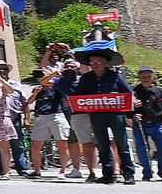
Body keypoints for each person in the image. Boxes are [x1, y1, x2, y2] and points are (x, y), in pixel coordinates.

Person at [53, 47, 135, 185]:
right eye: (92, 61)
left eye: (98, 61)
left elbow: (128, 94)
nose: (95, 63)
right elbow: (79, 95)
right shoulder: (86, 78)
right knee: (102, 145)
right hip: (97, 116)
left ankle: (128, 174)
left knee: (122, 145)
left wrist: (130, 115)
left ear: (105, 63)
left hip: (116, 115)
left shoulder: (116, 77)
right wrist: (72, 101)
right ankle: (108, 175)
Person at [41, 58, 94, 180]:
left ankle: (106, 169)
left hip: (93, 113)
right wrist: (54, 73)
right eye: (67, 67)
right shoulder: (60, 81)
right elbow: (43, 82)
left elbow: (88, 68)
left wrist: (72, 52)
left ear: (77, 68)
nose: (69, 69)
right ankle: (83, 170)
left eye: (72, 67)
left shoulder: (84, 78)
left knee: (97, 142)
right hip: (75, 115)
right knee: (78, 142)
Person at [131, 66, 162, 182]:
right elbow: (126, 108)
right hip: (141, 124)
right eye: (143, 76)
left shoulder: (160, 91)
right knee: (142, 150)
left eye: (148, 76)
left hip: (158, 124)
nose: (146, 78)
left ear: (153, 78)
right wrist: (132, 115)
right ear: (139, 77)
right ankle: (147, 173)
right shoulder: (133, 91)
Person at [24, 76, 70, 179]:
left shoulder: (57, 88)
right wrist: (35, 93)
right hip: (40, 117)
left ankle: (63, 170)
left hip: (56, 115)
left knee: (62, 144)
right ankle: (36, 171)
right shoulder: (38, 89)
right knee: (35, 145)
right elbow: (29, 102)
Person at [0, 60, 30, 177]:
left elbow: (25, 102)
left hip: (14, 118)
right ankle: (0, 169)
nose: (2, 71)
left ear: (8, 71)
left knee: (17, 144)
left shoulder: (16, 85)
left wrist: (26, 119)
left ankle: (22, 169)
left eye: (4, 69)